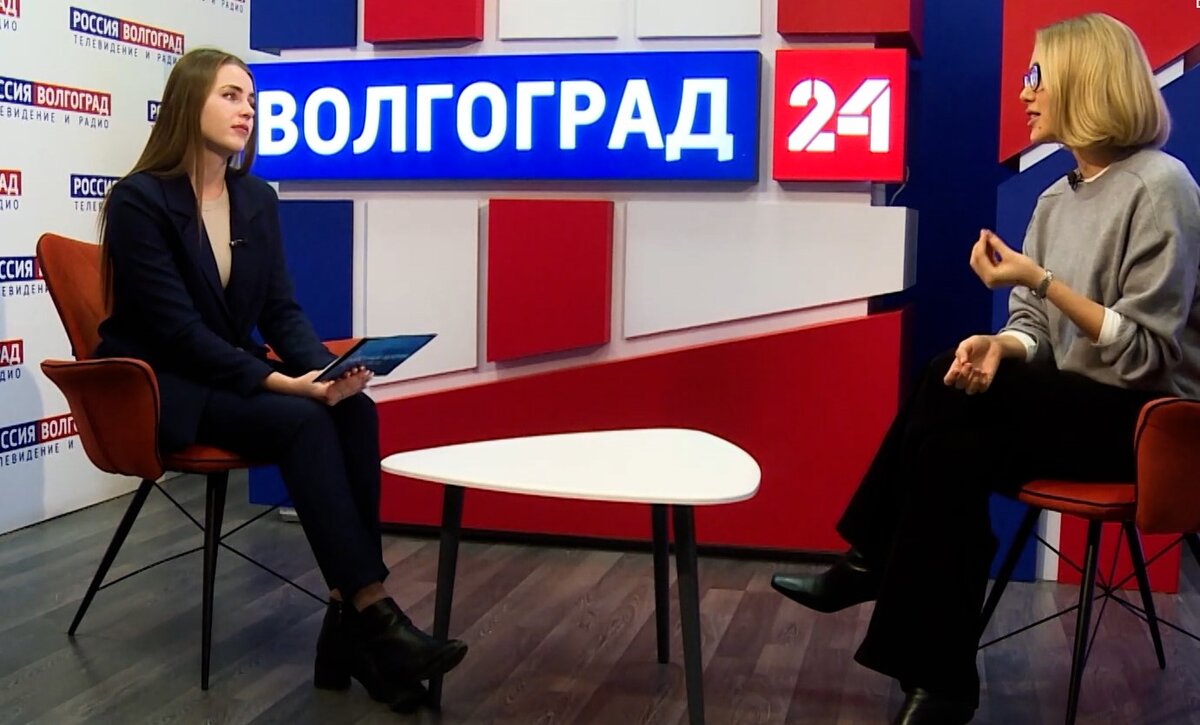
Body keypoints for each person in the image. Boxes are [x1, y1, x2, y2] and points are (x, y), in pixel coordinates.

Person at [770, 13, 1200, 725]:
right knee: (950, 450)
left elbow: (1145, 354)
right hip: (1073, 407)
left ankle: (870, 557)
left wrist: (1043, 281)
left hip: (1145, 421)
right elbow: (1034, 328)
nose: (1024, 92)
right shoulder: (1056, 199)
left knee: (940, 381)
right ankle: (940, 684)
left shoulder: (1161, 186)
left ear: (1084, 81)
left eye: (1036, 75)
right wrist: (1001, 347)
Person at [95, 48, 466, 714]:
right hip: (166, 386)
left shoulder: (256, 199)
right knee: (300, 419)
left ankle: (350, 628)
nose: (248, 109)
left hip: (227, 371)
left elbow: (280, 309)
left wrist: (324, 372)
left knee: (353, 412)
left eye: (251, 99)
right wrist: (284, 386)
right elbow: (178, 334)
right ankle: (375, 618)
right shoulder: (138, 201)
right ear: (187, 102)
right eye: (230, 95)